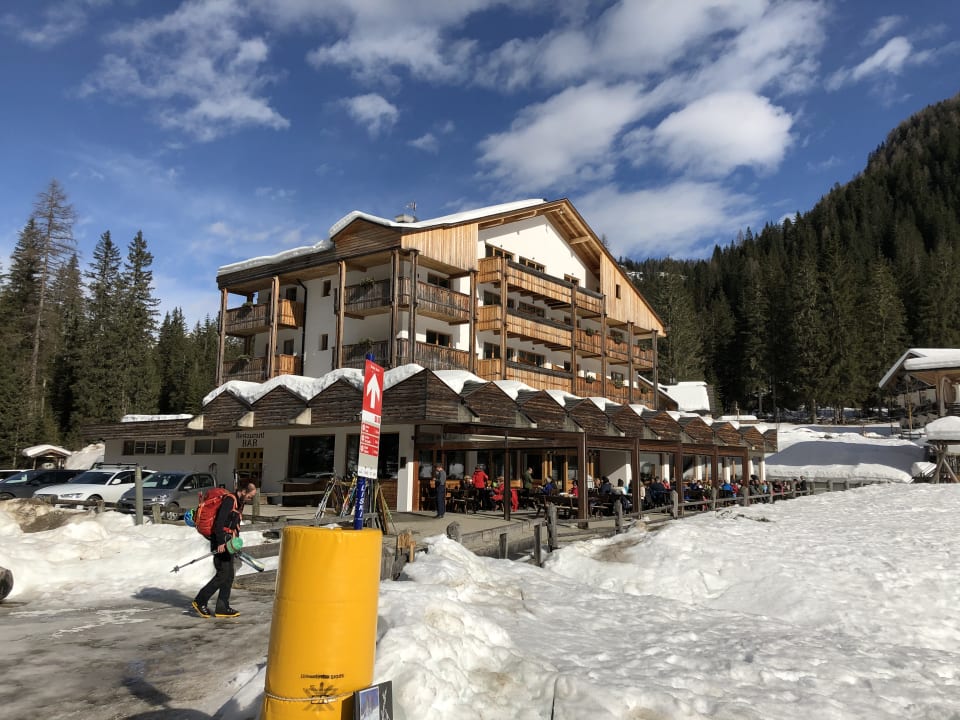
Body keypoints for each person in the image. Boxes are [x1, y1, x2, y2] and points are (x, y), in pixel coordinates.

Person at [192, 481, 258, 619]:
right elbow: (219, 523)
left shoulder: (239, 503)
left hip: (229, 542)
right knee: (223, 573)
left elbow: (234, 525)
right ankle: (200, 600)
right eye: (250, 496)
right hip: (220, 541)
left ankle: (222, 607)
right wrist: (221, 542)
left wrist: (235, 544)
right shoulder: (230, 500)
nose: (250, 499)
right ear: (244, 491)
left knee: (229, 575)